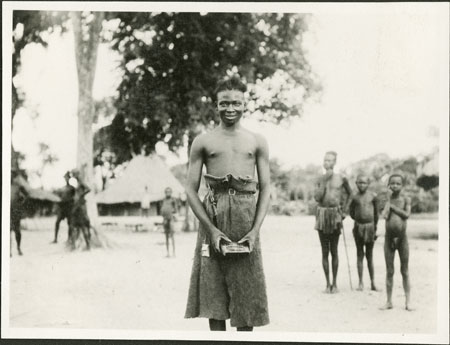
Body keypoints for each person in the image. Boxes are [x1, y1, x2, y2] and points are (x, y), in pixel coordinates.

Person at [184, 76, 270, 331]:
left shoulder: (257, 141)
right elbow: (190, 188)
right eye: (224, 103)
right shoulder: (203, 141)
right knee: (213, 293)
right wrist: (211, 230)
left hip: (246, 214)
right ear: (216, 105)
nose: (230, 108)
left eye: (236, 103)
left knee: (247, 293)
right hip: (213, 214)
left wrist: (254, 231)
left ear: (245, 104)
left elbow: (266, 188)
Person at [313, 151, 352, 293]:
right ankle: (327, 283)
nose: (327, 163)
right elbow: (317, 198)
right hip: (322, 214)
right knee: (325, 251)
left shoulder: (341, 178)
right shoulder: (319, 178)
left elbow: (350, 194)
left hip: (335, 214)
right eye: (325, 160)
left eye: (330, 160)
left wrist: (345, 211)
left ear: (335, 162)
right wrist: (324, 181)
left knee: (334, 250)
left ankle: (335, 284)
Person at [380, 174, 412, 311]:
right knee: (389, 271)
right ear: (388, 185)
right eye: (392, 183)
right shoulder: (387, 200)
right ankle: (389, 301)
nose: (395, 186)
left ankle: (408, 301)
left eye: (398, 184)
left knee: (404, 271)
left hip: (402, 239)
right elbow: (384, 216)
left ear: (402, 185)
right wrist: (388, 202)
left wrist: (393, 207)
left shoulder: (406, 199)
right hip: (389, 239)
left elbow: (406, 215)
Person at [349, 174, 379, 291]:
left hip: (370, 227)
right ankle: (361, 282)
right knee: (359, 254)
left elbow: (376, 214)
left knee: (370, 256)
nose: (362, 185)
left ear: (368, 184)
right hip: (358, 227)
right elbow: (351, 212)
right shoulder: (355, 197)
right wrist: (359, 220)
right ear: (356, 183)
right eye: (360, 183)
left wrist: (375, 229)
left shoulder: (373, 196)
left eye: (364, 183)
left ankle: (372, 282)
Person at [70, 169, 91, 250]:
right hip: (78, 204)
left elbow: (89, 189)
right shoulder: (78, 182)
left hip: (80, 205)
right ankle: (75, 245)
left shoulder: (81, 181)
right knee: (76, 225)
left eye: (74, 174)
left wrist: (82, 195)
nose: (74, 176)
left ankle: (87, 245)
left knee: (82, 225)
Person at [52, 171, 75, 243]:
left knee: (70, 223)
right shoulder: (62, 188)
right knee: (57, 222)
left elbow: (74, 198)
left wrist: (70, 202)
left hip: (69, 207)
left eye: (67, 178)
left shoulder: (72, 188)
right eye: (65, 178)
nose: (66, 179)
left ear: (69, 179)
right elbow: (58, 197)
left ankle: (69, 239)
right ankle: (55, 239)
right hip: (62, 208)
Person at [10, 169, 29, 256]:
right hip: (7, 212)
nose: (10, 176)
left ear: (14, 176)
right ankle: (8, 250)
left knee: (17, 231)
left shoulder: (18, 186)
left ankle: (18, 248)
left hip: (16, 211)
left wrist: (20, 204)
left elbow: (25, 196)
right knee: (7, 231)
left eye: (12, 174)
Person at [160, 187, 178, 257]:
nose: (168, 193)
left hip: (171, 219)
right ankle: (168, 253)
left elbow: (176, 210)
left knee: (172, 236)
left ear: (171, 192)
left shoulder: (173, 200)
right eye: (167, 192)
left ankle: (174, 253)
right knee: (166, 236)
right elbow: (161, 209)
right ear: (165, 192)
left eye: (169, 192)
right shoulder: (163, 200)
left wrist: (172, 214)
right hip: (165, 219)